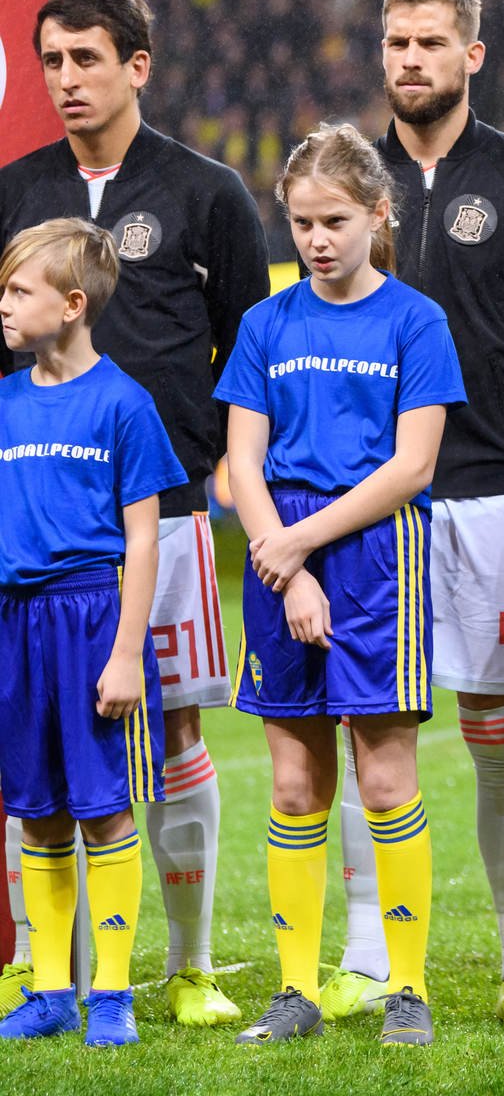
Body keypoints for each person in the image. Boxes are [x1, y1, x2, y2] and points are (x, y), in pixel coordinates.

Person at [313, 0, 504, 1029]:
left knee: (495, 730)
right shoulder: (347, 177)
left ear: (473, 55)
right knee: (364, 726)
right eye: (396, 42)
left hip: (483, 489)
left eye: (432, 42)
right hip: (364, 502)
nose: (410, 60)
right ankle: (362, 952)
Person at [0, 0, 268, 1028]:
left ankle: (187, 963)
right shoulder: (14, 190)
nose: (66, 79)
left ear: (137, 65)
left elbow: (249, 351)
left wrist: (230, 475)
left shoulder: (208, 193)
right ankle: (55, 978)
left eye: (87, 58)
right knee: (50, 760)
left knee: (177, 735)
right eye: (52, 61)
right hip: (42, 522)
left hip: (168, 513)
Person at [216, 125, 466, 1048]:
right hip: (281, 547)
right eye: (301, 223)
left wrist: (297, 550)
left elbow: (412, 466)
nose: (316, 240)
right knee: (292, 785)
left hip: (373, 555)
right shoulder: (265, 324)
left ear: (377, 214)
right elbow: (241, 456)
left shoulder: (416, 321)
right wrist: (281, 560)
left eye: (334, 221)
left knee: (386, 773)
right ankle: (295, 992)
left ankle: (407, 989)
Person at [0, 219, 181, 1046]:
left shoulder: (123, 403)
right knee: (36, 812)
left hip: (90, 617)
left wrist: (124, 655)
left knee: (104, 810)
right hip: (15, 624)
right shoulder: (2, 401)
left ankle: (111, 992)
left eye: (18, 290)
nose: (3, 303)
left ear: (73, 305)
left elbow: (143, 537)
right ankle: (49, 990)